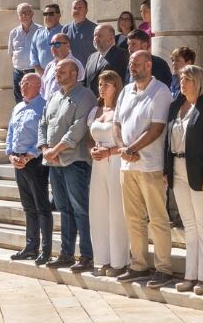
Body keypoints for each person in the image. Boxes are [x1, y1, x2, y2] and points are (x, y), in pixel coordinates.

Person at [113, 51, 173, 287]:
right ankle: (138, 264)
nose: (132, 68)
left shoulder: (161, 91)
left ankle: (164, 267)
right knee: (133, 218)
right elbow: (116, 124)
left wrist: (132, 148)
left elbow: (157, 128)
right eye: (130, 64)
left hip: (151, 164)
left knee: (157, 218)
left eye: (136, 64)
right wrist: (123, 149)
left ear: (149, 65)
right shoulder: (126, 90)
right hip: (127, 165)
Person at [165, 63, 203, 294]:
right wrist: (166, 171)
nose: (182, 82)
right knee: (189, 225)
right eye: (181, 78)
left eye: (187, 79)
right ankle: (191, 275)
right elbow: (166, 141)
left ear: (198, 82)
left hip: (202, 171)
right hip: (178, 169)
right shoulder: (175, 106)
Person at [38, 60, 96, 272]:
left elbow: (78, 128)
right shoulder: (54, 96)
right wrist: (45, 148)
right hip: (53, 161)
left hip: (74, 161)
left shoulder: (85, 96)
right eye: (56, 72)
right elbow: (42, 123)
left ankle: (87, 255)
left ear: (74, 73)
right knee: (64, 209)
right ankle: (66, 253)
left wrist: (57, 149)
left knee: (80, 208)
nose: (57, 75)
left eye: (61, 71)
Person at [7, 73, 52, 264]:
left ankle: (46, 250)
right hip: (18, 161)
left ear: (39, 86)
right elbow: (10, 133)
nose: (23, 86)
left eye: (27, 83)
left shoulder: (44, 106)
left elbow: (46, 135)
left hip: (35, 162)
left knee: (42, 207)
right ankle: (30, 246)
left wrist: (30, 155)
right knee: (28, 207)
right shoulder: (18, 107)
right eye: (21, 83)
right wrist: (10, 155)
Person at [88, 70, 129, 277]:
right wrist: (93, 150)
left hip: (115, 160)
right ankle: (102, 258)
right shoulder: (96, 110)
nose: (102, 88)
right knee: (99, 210)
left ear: (116, 87)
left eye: (107, 84)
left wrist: (109, 151)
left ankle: (119, 260)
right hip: (98, 163)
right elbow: (90, 138)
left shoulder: (121, 110)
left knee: (116, 211)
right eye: (100, 84)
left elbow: (125, 139)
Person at [8, 2, 43, 103]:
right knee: (19, 101)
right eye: (21, 13)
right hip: (18, 72)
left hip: (33, 72)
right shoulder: (14, 33)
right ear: (18, 16)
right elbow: (11, 52)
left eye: (27, 13)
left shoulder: (40, 30)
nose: (24, 16)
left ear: (32, 14)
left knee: (35, 99)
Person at [84, 24, 129, 97]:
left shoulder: (122, 55)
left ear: (111, 38)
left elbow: (120, 82)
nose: (96, 38)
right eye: (95, 35)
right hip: (90, 103)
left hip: (109, 103)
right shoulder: (92, 57)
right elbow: (85, 82)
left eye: (100, 36)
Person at [41, 34, 85, 101]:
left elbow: (80, 89)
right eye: (51, 44)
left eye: (57, 44)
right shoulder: (49, 66)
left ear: (68, 45)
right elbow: (42, 88)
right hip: (48, 107)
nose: (53, 47)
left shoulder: (76, 64)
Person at [63, 0, 98, 65]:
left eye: (80, 8)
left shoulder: (94, 29)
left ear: (86, 10)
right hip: (70, 70)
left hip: (88, 70)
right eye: (74, 8)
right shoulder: (65, 29)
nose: (76, 10)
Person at [32, 3, 63, 74]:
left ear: (59, 15)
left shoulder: (64, 31)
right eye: (45, 14)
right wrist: (40, 71)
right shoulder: (38, 33)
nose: (47, 16)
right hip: (41, 75)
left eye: (51, 14)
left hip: (59, 74)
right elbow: (33, 54)